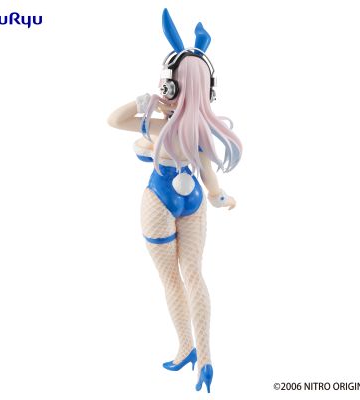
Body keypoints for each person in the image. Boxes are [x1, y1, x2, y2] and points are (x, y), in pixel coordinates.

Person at [107, 8, 242, 393]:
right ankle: (204, 357)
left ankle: (187, 347)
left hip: (159, 198)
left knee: (171, 279)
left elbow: (114, 120)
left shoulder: (161, 125)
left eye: (167, 87)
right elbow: (210, 179)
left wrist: (146, 101)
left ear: (170, 87)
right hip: (194, 200)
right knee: (194, 274)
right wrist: (220, 196)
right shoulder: (199, 131)